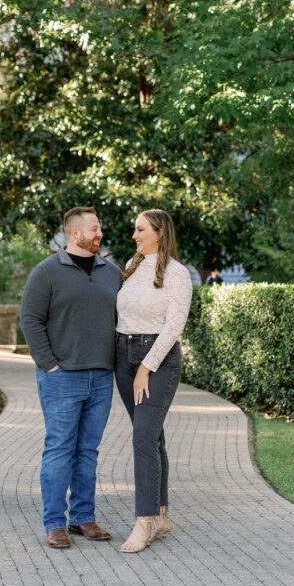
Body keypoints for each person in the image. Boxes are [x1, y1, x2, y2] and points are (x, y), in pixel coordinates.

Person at [20, 207, 123, 549]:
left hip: (101, 377)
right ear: (75, 234)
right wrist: (49, 364)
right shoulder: (46, 272)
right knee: (60, 449)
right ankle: (54, 523)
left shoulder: (111, 272)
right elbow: (31, 321)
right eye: (95, 228)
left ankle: (83, 519)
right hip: (62, 377)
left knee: (88, 450)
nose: (100, 234)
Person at [115, 209, 193, 553]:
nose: (134, 235)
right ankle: (161, 515)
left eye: (140, 229)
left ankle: (144, 521)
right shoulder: (132, 268)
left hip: (156, 361)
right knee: (153, 437)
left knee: (142, 437)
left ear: (159, 232)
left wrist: (147, 366)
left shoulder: (178, 274)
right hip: (123, 356)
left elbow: (174, 326)